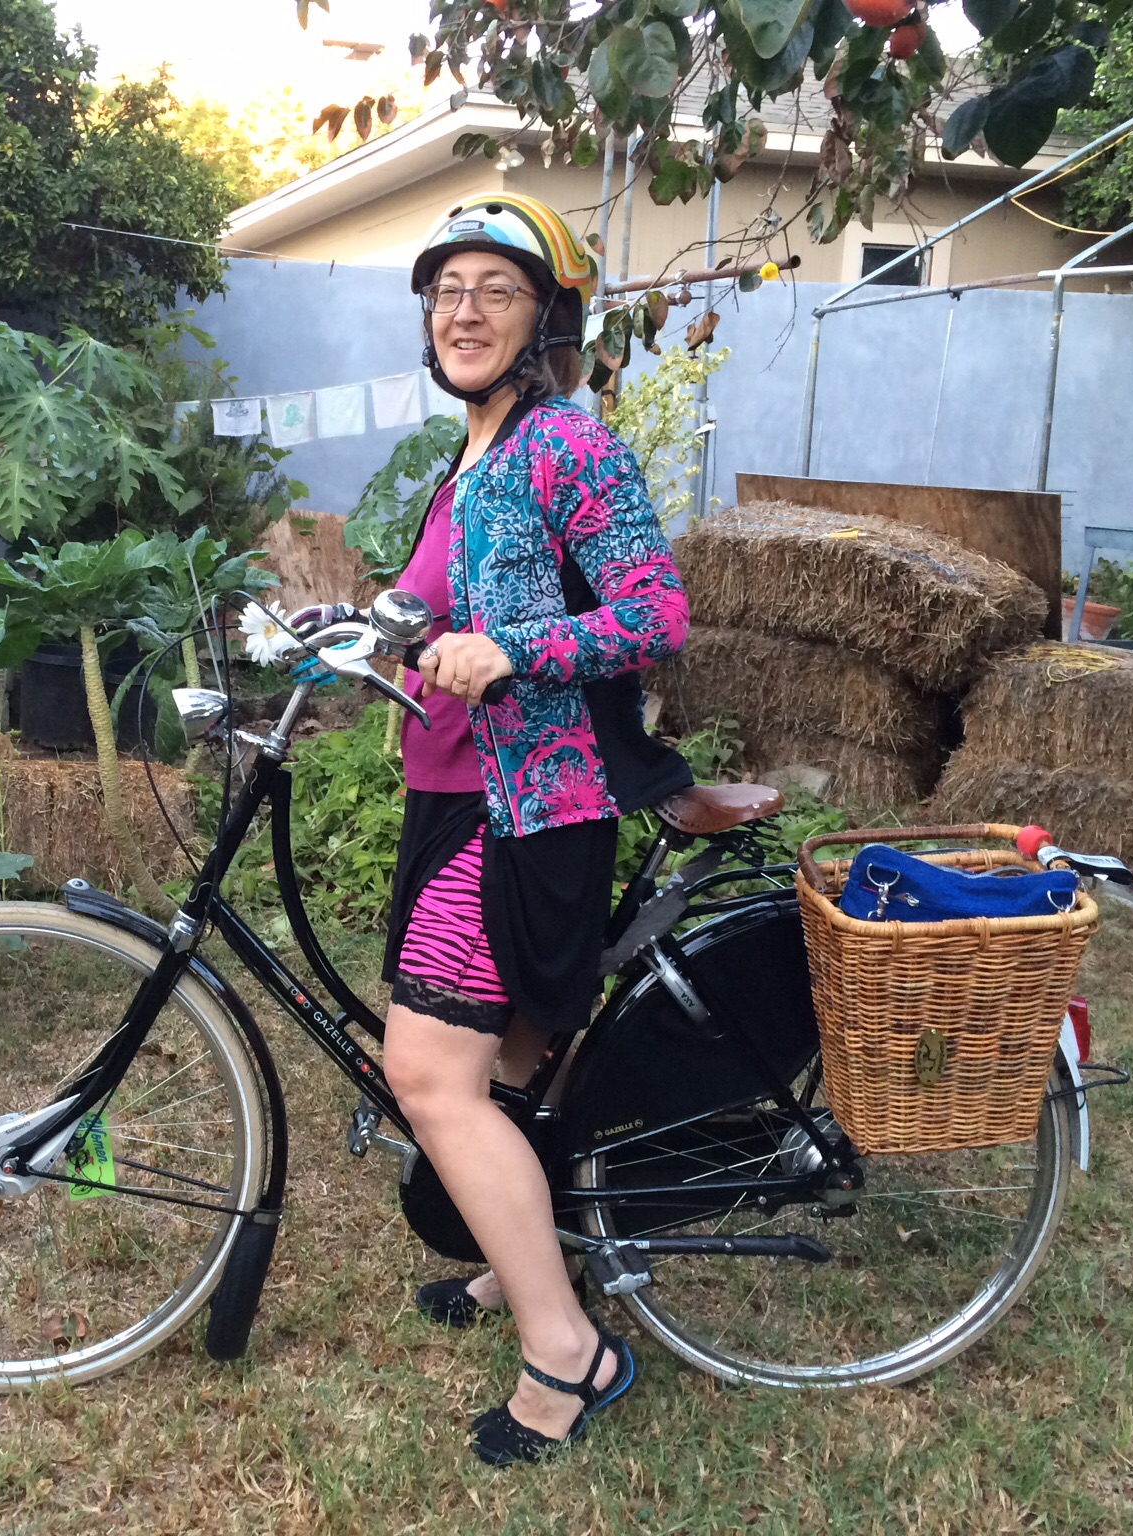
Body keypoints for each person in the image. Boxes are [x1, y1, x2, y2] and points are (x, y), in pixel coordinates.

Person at [378, 193, 693, 1466]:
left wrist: (514, 649)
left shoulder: (565, 443)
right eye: (445, 291)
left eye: (494, 290)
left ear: (545, 318)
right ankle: (519, 1262)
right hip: (450, 791)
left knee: (428, 1074)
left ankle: (568, 1352)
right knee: (510, 1061)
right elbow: (434, 605)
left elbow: (654, 613)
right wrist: (366, 628)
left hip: (528, 804)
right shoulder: (466, 457)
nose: (462, 312)